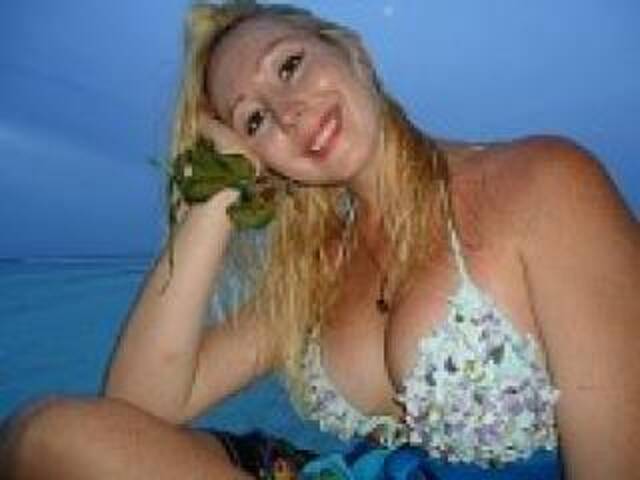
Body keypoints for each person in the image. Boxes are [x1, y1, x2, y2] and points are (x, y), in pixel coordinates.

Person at [2, 2, 639, 479]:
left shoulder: (543, 183)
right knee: (45, 438)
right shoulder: (316, 272)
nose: (289, 112)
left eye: (290, 65)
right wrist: (215, 197)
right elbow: (137, 409)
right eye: (255, 119)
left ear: (354, 53)